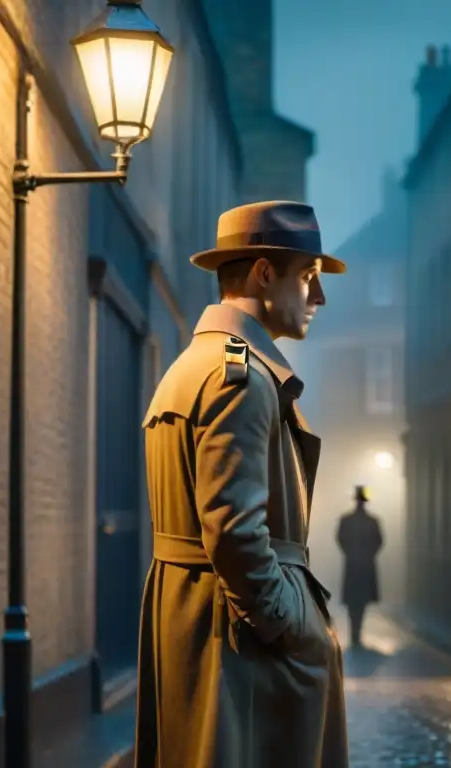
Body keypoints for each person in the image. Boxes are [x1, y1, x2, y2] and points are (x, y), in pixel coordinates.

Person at [135, 201, 349, 768]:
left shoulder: (195, 366)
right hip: (239, 641)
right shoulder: (241, 379)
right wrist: (289, 625)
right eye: (307, 277)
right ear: (262, 273)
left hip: (205, 620)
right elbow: (233, 530)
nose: (318, 298)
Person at [336, 486, 383, 649]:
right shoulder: (372, 521)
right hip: (365, 565)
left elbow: (340, 539)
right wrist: (368, 554)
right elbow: (379, 541)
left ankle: (355, 632)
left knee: (354, 601)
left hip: (354, 565)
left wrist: (351, 553)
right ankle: (356, 632)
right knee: (359, 600)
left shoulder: (346, 520)